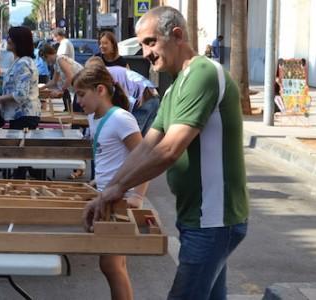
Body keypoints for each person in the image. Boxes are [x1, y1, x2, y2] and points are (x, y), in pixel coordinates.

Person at [83, 7, 248, 299]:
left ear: (177, 35)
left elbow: (170, 149)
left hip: (213, 219)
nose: (145, 52)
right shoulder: (174, 90)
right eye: (142, 44)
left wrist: (118, 188)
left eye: (150, 42)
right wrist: (108, 190)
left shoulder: (203, 73)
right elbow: (147, 146)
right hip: (197, 217)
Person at [73, 64, 148, 300]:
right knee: (114, 265)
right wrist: (97, 180)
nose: (78, 101)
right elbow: (111, 158)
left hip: (120, 200)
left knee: (111, 265)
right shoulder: (95, 118)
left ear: (101, 90)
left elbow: (144, 158)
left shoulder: (121, 119)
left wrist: (137, 196)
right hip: (106, 196)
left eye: (82, 94)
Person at [0, 26, 41, 179]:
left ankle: (18, 190)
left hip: (24, 116)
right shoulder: (20, 61)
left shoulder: (23, 63)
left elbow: (21, 94)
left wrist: (0, 99)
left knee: (21, 158)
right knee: (20, 158)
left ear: (17, 42)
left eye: (10, 37)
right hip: (19, 116)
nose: (7, 40)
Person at [86, 56, 160, 135]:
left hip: (143, 97)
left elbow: (122, 101)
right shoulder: (113, 70)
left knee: (133, 135)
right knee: (147, 137)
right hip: (152, 94)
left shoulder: (105, 77)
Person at [40, 44, 84, 110]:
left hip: (83, 85)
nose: (46, 62)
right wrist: (42, 88)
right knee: (76, 108)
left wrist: (61, 90)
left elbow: (70, 76)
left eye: (44, 59)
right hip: (79, 87)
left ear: (47, 55)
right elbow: (54, 81)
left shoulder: (60, 59)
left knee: (78, 109)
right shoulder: (56, 63)